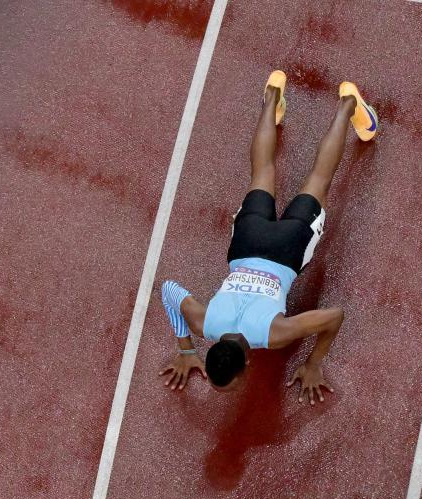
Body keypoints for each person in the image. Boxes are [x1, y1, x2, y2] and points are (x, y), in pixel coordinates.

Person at [158, 70, 378, 405]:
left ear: (247, 366)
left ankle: (348, 104)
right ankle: (272, 96)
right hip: (247, 242)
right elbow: (169, 290)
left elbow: (334, 316)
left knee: (319, 179)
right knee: (261, 171)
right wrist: (187, 349)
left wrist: (313, 364)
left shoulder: (275, 336)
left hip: (288, 248)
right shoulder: (204, 323)